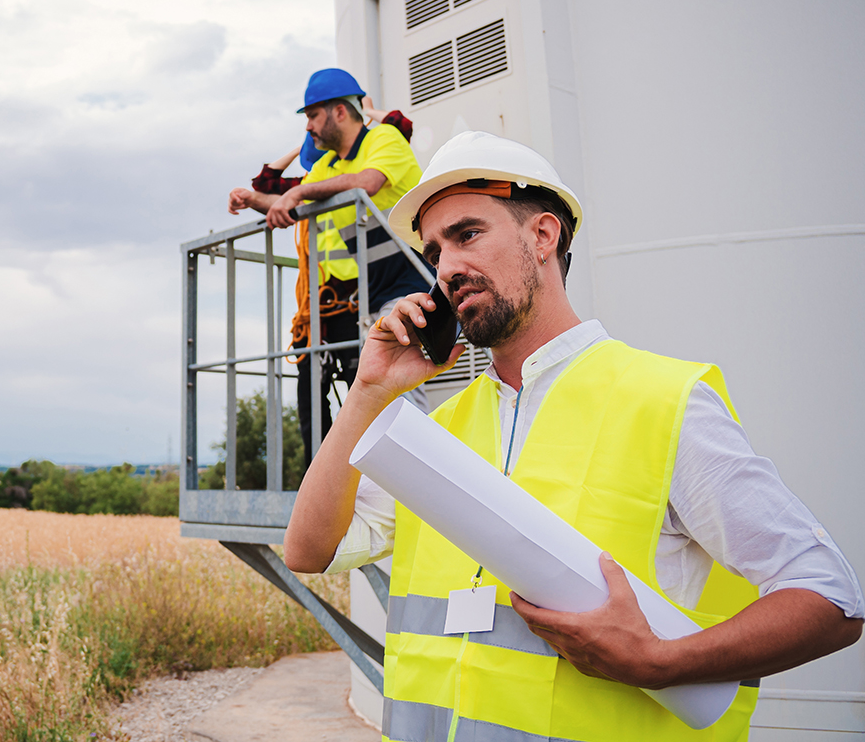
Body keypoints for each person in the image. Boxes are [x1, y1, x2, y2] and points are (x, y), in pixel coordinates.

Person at [283, 131, 863, 741]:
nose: (447, 267)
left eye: (467, 235)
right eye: (434, 252)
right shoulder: (439, 431)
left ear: (542, 236)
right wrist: (371, 391)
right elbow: (308, 551)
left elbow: (830, 599)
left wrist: (658, 663)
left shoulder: (663, 402)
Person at [228, 69, 432, 460]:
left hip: (413, 280)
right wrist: (254, 200)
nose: (308, 126)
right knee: (376, 393)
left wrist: (299, 191)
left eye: (312, 115)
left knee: (400, 393)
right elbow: (299, 202)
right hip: (373, 292)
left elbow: (368, 182)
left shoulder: (384, 138)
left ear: (340, 112)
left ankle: (416, 488)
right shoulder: (327, 167)